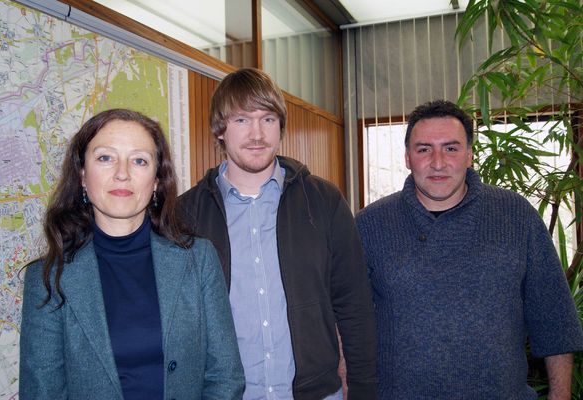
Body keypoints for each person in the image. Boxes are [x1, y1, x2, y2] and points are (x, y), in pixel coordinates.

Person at [356, 99, 583, 399]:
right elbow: (346, 322)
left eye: (451, 148)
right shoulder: (371, 225)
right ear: (408, 157)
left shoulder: (515, 216)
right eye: (424, 149)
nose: (438, 162)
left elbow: (553, 317)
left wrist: (560, 395)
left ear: (469, 155)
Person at [176, 68, 377, 400]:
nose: (257, 134)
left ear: (280, 126)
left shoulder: (324, 201)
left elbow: (354, 306)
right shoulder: (186, 214)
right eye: (242, 120)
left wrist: (364, 391)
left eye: (267, 119)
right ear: (220, 129)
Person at [19, 108, 244, 400]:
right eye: (105, 158)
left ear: (156, 181)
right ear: (83, 176)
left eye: (139, 160)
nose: (122, 174)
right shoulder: (49, 277)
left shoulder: (198, 259)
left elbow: (226, 376)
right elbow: (42, 393)